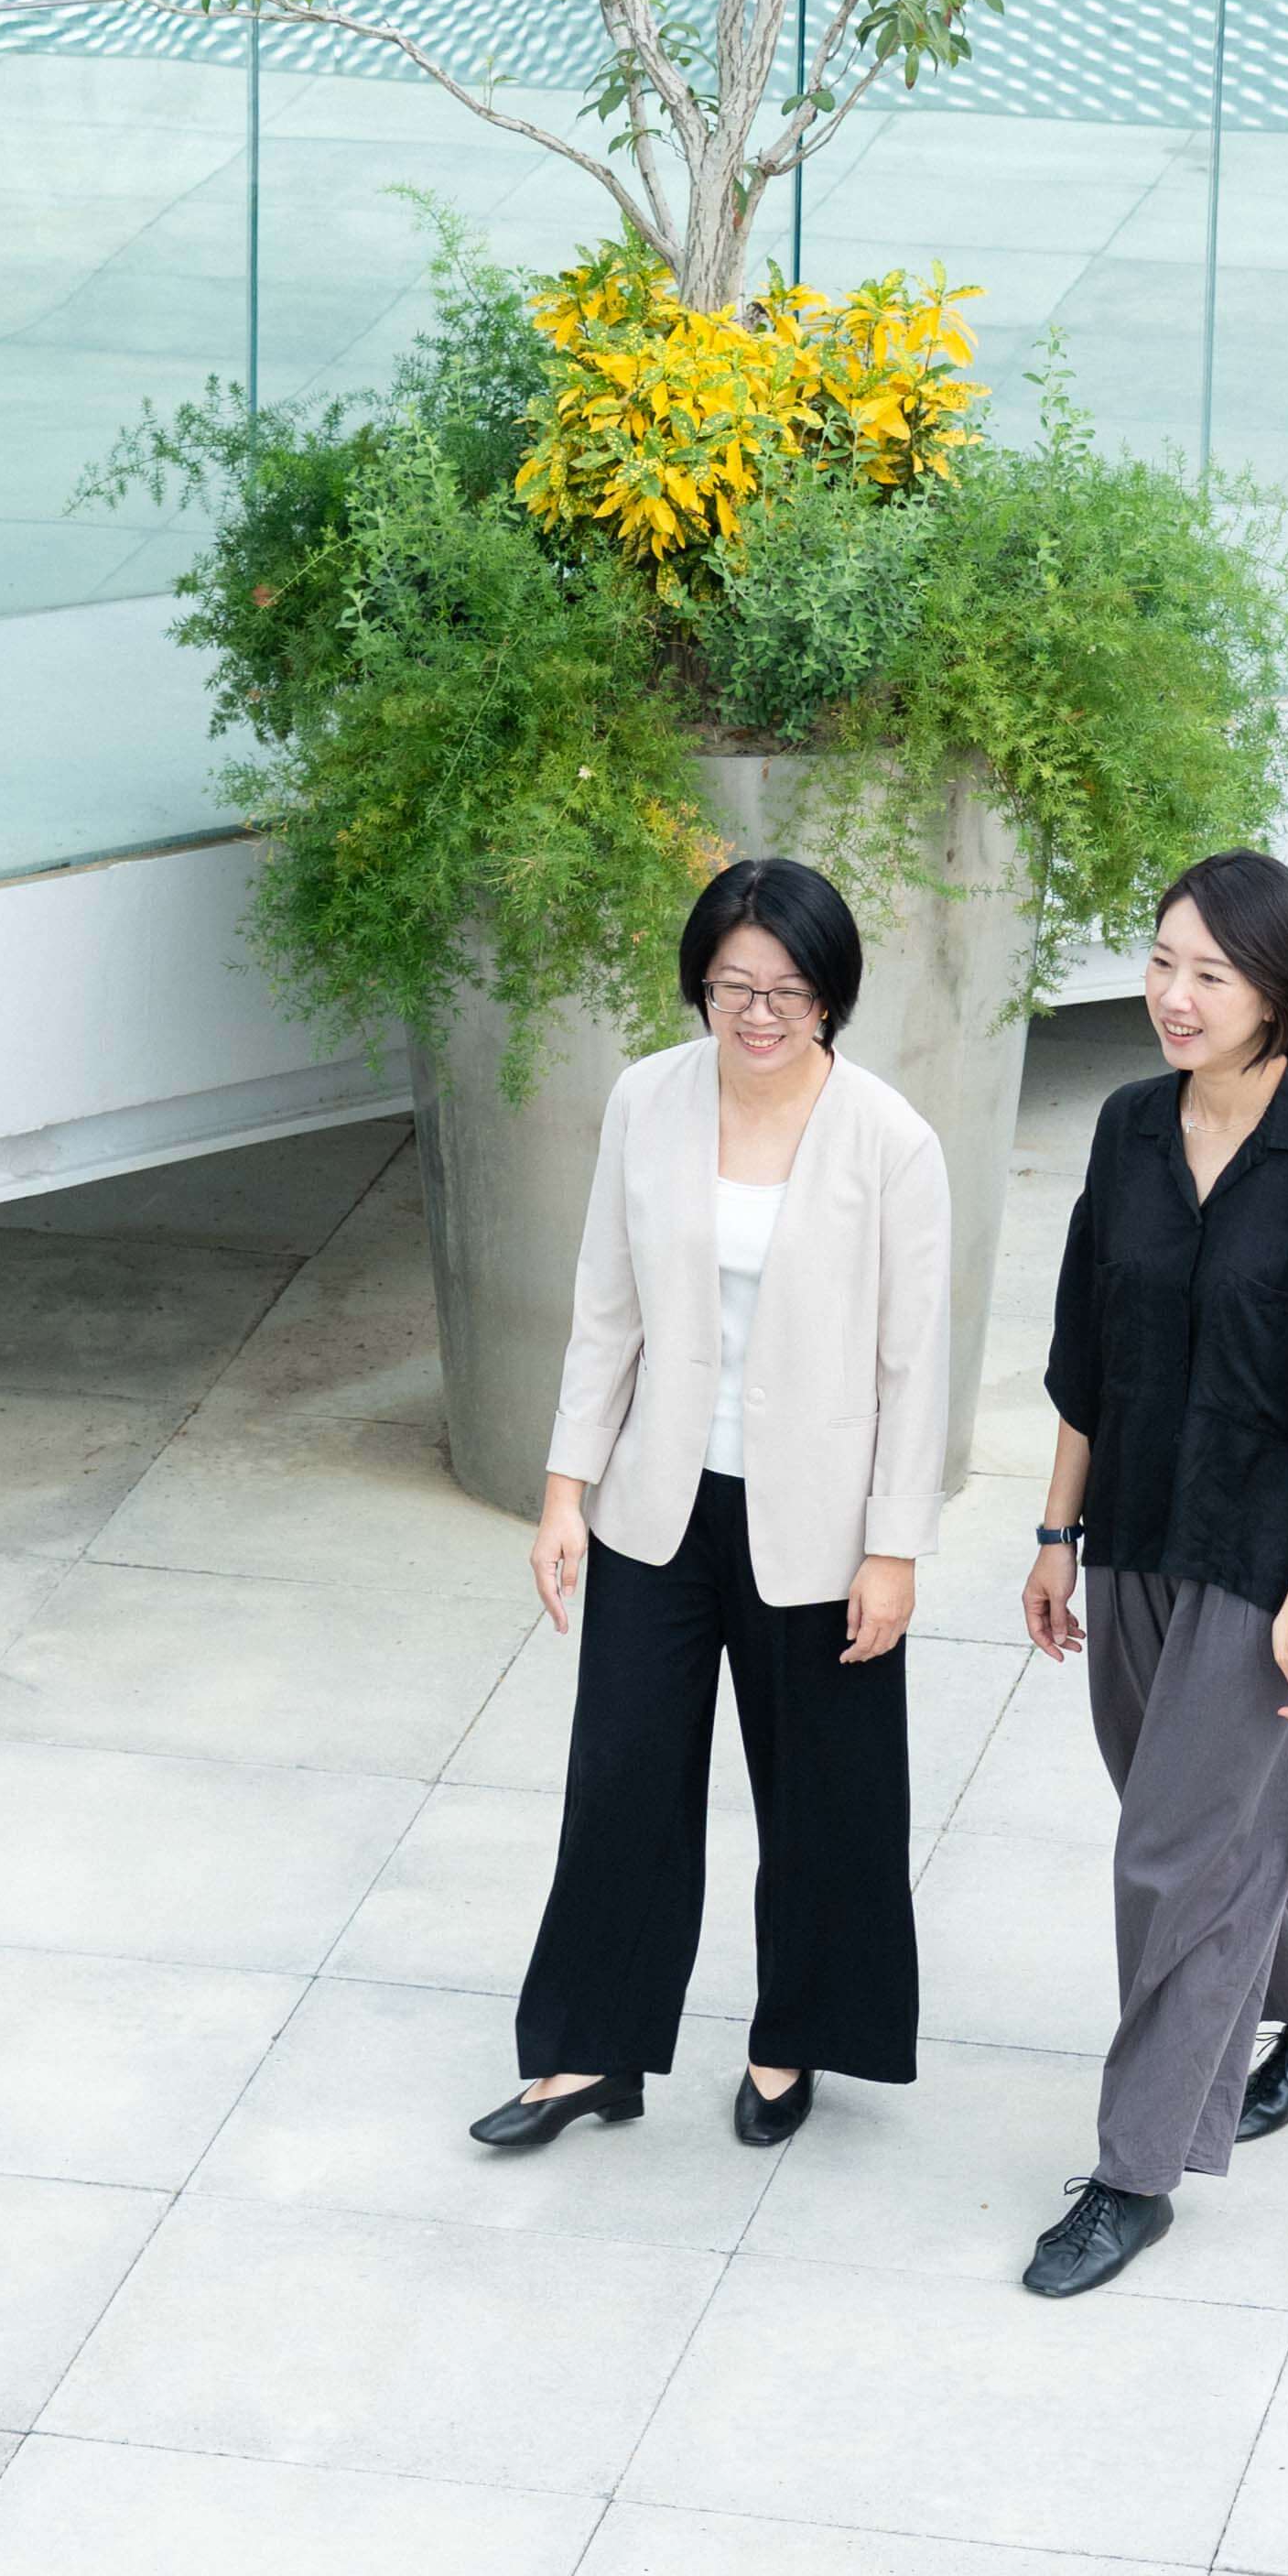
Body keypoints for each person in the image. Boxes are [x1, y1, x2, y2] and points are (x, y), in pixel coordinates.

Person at [471, 859, 956, 2156]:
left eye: (788, 991)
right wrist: (565, 1491)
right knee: (620, 1778)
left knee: (824, 1799)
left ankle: (794, 2039)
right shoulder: (648, 1100)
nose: (758, 1014)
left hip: (822, 1523)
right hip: (658, 1505)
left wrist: (895, 1549)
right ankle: (588, 2055)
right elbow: (605, 1306)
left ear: (830, 997)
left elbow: (914, 1366)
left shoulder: (892, 1141)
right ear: (700, 985)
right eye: (734, 987)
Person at [1010, 849, 1288, 2299]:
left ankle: (1135, 2173)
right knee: (1211, 1815)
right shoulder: (1129, 1129)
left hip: (1271, 1559)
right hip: (1135, 1526)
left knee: (1173, 1855)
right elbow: (1087, 1352)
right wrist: (1055, 1537)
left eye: (1211, 974)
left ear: (1280, 993)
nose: (1174, 997)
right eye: (1162, 962)